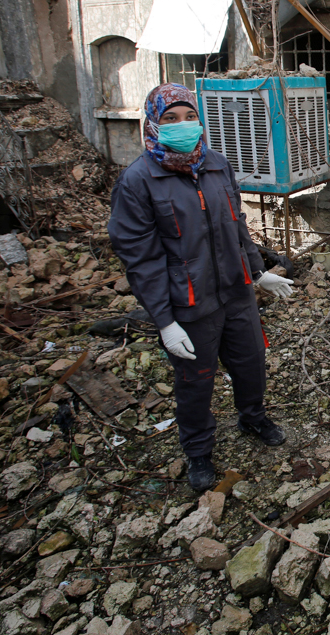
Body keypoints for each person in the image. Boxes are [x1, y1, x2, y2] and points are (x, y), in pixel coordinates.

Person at [108, 83, 295, 492]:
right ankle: (197, 450)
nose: (183, 126)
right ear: (153, 125)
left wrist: (257, 272)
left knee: (250, 363)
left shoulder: (215, 164)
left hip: (236, 293)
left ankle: (252, 416)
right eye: (171, 119)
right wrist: (164, 321)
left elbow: (235, 226)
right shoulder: (139, 181)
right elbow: (142, 261)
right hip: (189, 305)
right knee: (196, 380)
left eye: (189, 116)